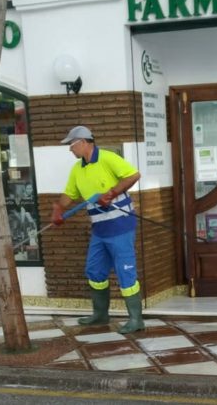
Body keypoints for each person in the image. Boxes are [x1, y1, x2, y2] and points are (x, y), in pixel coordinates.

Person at [51, 125, 143, 334]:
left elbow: (133, 175)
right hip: (100, 230)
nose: (70, 150)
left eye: (71, 145)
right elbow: (70, 194)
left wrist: (110, 193)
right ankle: (100, 314)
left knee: (125, 274)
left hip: (120, 227)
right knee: (94, 271)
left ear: (84, 142)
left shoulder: (108, 158)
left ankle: (136, 320)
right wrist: (58, 207)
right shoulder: (77, 169)